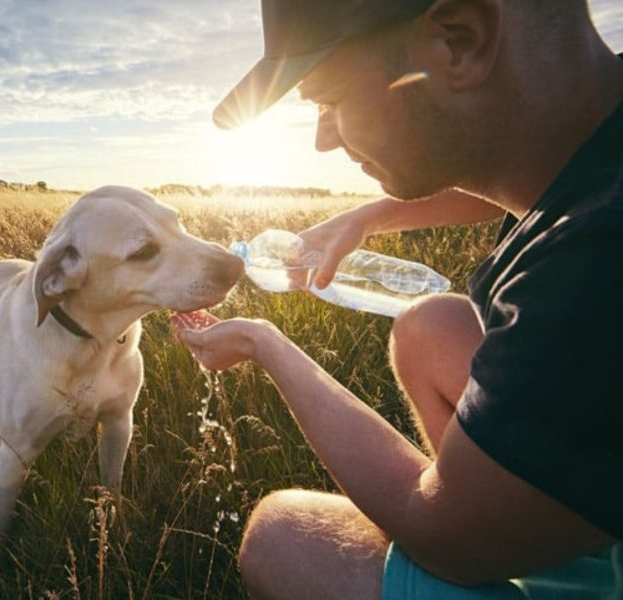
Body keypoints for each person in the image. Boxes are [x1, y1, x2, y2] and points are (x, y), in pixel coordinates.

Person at [174, 0, 623, 598]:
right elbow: (544, 159)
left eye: (327, 101)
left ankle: (520, 532)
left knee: (282, 537)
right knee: (429, 325)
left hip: (480, 540)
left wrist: (265, 343)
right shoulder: (592, 122)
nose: (323, 140)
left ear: (459, 41)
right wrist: (372, 215)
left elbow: (448, 539)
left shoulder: (595, 262)